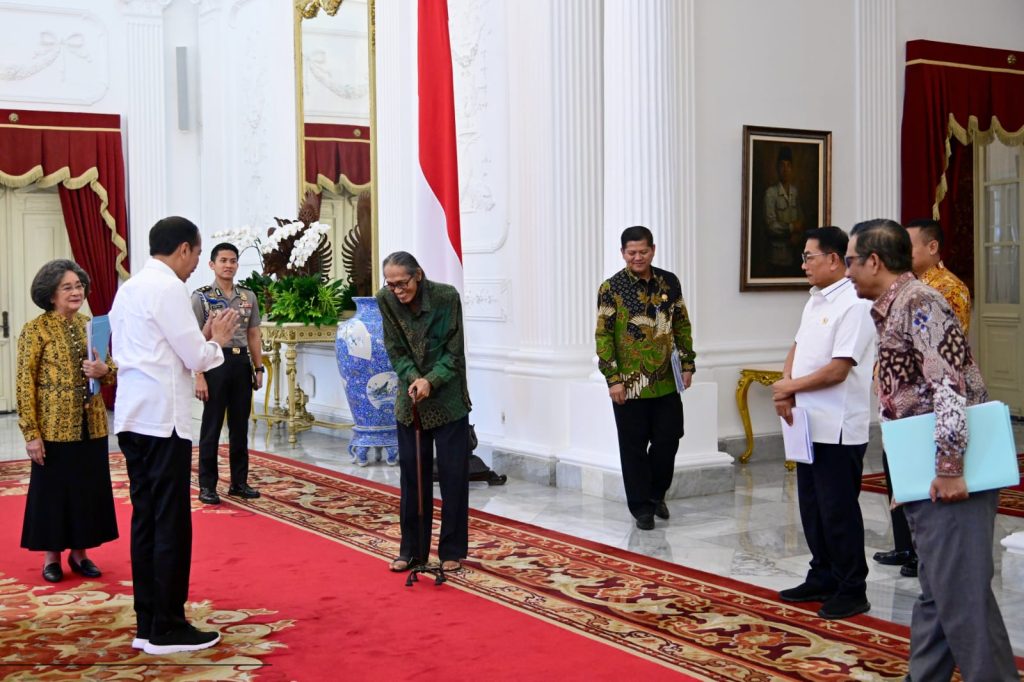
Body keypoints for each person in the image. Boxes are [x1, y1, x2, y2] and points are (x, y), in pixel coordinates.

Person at [845, 218, 1016, 680]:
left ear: (874, 261)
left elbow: (949, 389)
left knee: (961, 601)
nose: (847, 272)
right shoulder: (894, 304)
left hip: (949, 476)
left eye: (850, 261)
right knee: (940, 596)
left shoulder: (920, 302)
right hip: (925, 473)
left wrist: (948, 467)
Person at [110, 216, 239, 655]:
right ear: (184, 248)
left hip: (133, 415)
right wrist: (217, 339)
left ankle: (148, 621)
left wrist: (201, 341)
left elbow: (152, 348)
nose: (197, 263)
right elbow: (195, 356)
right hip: (162, 420)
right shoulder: (168, 289)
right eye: (198, 254)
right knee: (170, 523)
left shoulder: (129, 287)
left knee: (146, 519)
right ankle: (167, 626)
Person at [771, 226, 875, 620]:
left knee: (838, 508)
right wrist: (787, 389)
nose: (803, 265)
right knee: (812, 506)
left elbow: (838, 370)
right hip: (808, 422)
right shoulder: (815, 300)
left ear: (834, 259)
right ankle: (822, 573)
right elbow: (797, 348)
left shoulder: (855, 303)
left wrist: (790, 387)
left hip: (839, 424)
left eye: (809, 257)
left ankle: (852, 586)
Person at [873, 218, 973, 579]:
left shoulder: (942, 291)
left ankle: (919, 551)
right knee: (896, 475)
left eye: (910, 246)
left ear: (932, 247)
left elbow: (946, 363)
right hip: (903, 415)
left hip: (931, 411)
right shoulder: (904, 290)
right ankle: (905, 545)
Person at [16, 260, 118, 583]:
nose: (77, 292)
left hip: (92, 425)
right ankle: (51, 557)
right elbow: (23, 382)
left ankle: (80, 553)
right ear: (51, 295)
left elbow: (111, 370)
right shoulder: (36, 330)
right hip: (54, 427)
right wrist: (31, 433)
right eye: (68, 287)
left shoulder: (91, 325)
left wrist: (105, 372)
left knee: (86, 490)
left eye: (79, 286)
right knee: (53, 492)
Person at [376, 251, 471, 574]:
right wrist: (414, 379)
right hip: (411, 400)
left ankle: (452, 549)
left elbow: (454, 351)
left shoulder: (446, 297)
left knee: (453, 477)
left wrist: (431, 380)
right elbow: (395, 348)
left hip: (448, 400)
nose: (398, 291)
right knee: (412, 479)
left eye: (402, 283)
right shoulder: (385, 300)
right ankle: (412, 551)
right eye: (391, 285)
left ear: (418, 275)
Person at [596, 225, 695, 531]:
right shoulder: (610, 288)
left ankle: (656, 494)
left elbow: (681, 323)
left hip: (665, 379)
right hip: (629, 384)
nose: (637, 257)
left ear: (653, 249)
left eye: (643, 251)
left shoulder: (669, 281)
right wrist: (612, 378)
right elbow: (604, 336)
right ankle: (641, 507)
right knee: (634, 446)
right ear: (623, 253)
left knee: (669, 439)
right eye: (631, 252)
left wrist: (688, 362)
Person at [191, 242, 264, 505]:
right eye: (223, 260)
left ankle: (239, 482)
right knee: (211, 427)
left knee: (239, 426)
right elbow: (194, 339)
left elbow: (254, 334)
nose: (228, 265)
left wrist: (258, 367)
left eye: (233, 260)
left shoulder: (248, 296)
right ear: (212, 264)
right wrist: (198, 374)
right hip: (213, 364)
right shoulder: (200, 297)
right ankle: (207, 486)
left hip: (240, 364)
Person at [764, 146, 805, 271]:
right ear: (777, 168)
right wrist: (792, 227)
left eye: (788, 166)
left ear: (792, 168)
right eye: (782, 166)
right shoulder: (770, 193)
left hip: (795, 254)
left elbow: (801, 218)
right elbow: (771, 225)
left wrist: (798, 234)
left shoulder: (795, 192)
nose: (785, 170)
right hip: (777, 256)